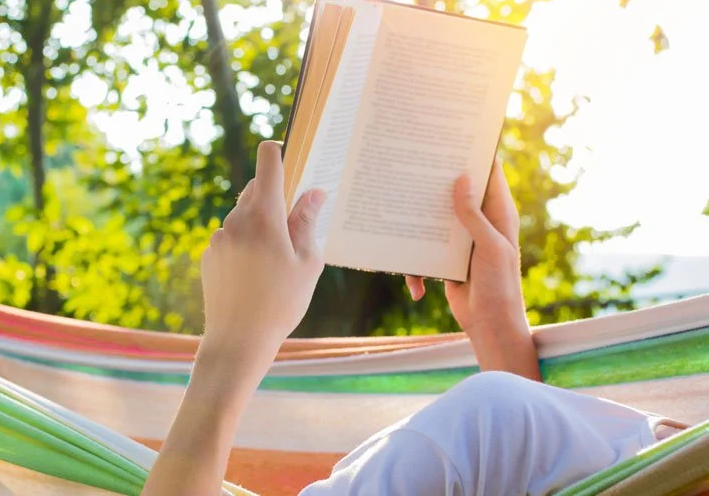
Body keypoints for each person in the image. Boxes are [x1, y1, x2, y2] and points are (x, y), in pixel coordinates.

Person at [142, 141, 684, 496]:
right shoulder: (667, 456)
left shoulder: (489, 428)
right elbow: (534, 470)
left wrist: (233, 345)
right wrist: (501, 335)